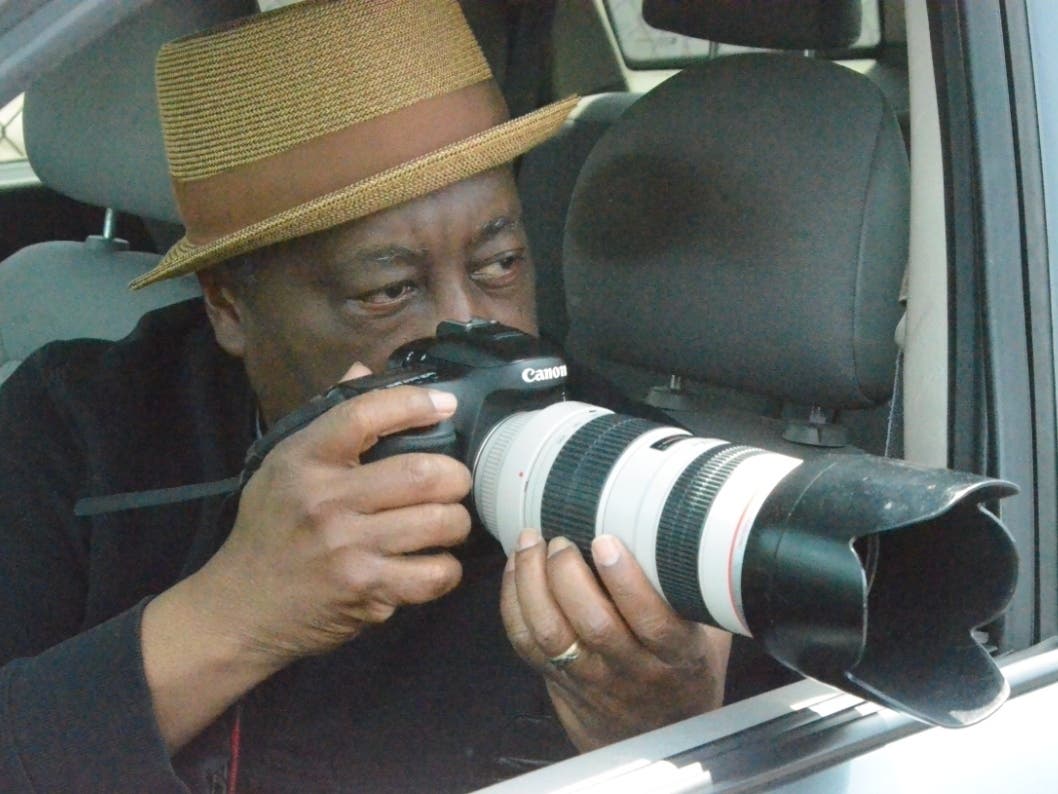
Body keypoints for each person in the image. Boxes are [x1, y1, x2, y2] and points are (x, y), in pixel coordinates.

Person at [0, 1, 731, 791]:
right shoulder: (78, 424)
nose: (470, 333)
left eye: (500, 264)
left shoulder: (626, 478)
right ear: (229, 306)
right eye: (389, 292)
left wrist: (668, 730)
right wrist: (235, 612)